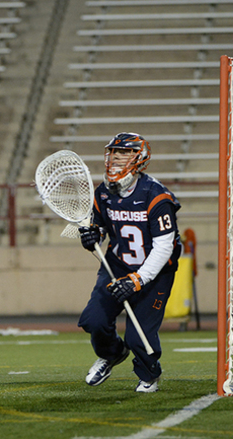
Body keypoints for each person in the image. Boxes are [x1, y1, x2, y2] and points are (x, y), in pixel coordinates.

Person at [77, 133, 181, 393]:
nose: (114, 159)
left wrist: (138, 280)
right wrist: (93, 235)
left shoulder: (156, 196)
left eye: (122, 154)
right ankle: (112, 354)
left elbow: (164, 247)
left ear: (139, 159)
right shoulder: (103, 193)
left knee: (139, 336)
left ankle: (149, 374)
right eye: (112, 153)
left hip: (154, 273)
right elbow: (99, 227)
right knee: (94, 320)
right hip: (117, 265)